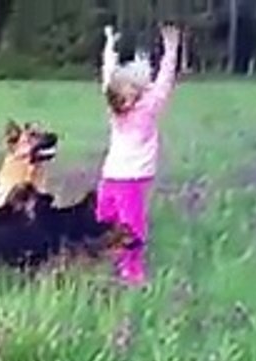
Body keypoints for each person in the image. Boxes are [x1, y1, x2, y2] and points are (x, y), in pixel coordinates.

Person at [98, 23, 182, 287]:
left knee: (131, 225)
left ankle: (132, 271)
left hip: (133, 178)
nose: (120, 101)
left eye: (125, 94)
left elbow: (164, 83)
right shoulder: (116, 111)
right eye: (117, 97)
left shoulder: (146, 110)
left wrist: (171, 50)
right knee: (102, 218)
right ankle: (108, 258)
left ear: (136, 92)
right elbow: (108, 75)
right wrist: (110, 45)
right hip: (110, 175)